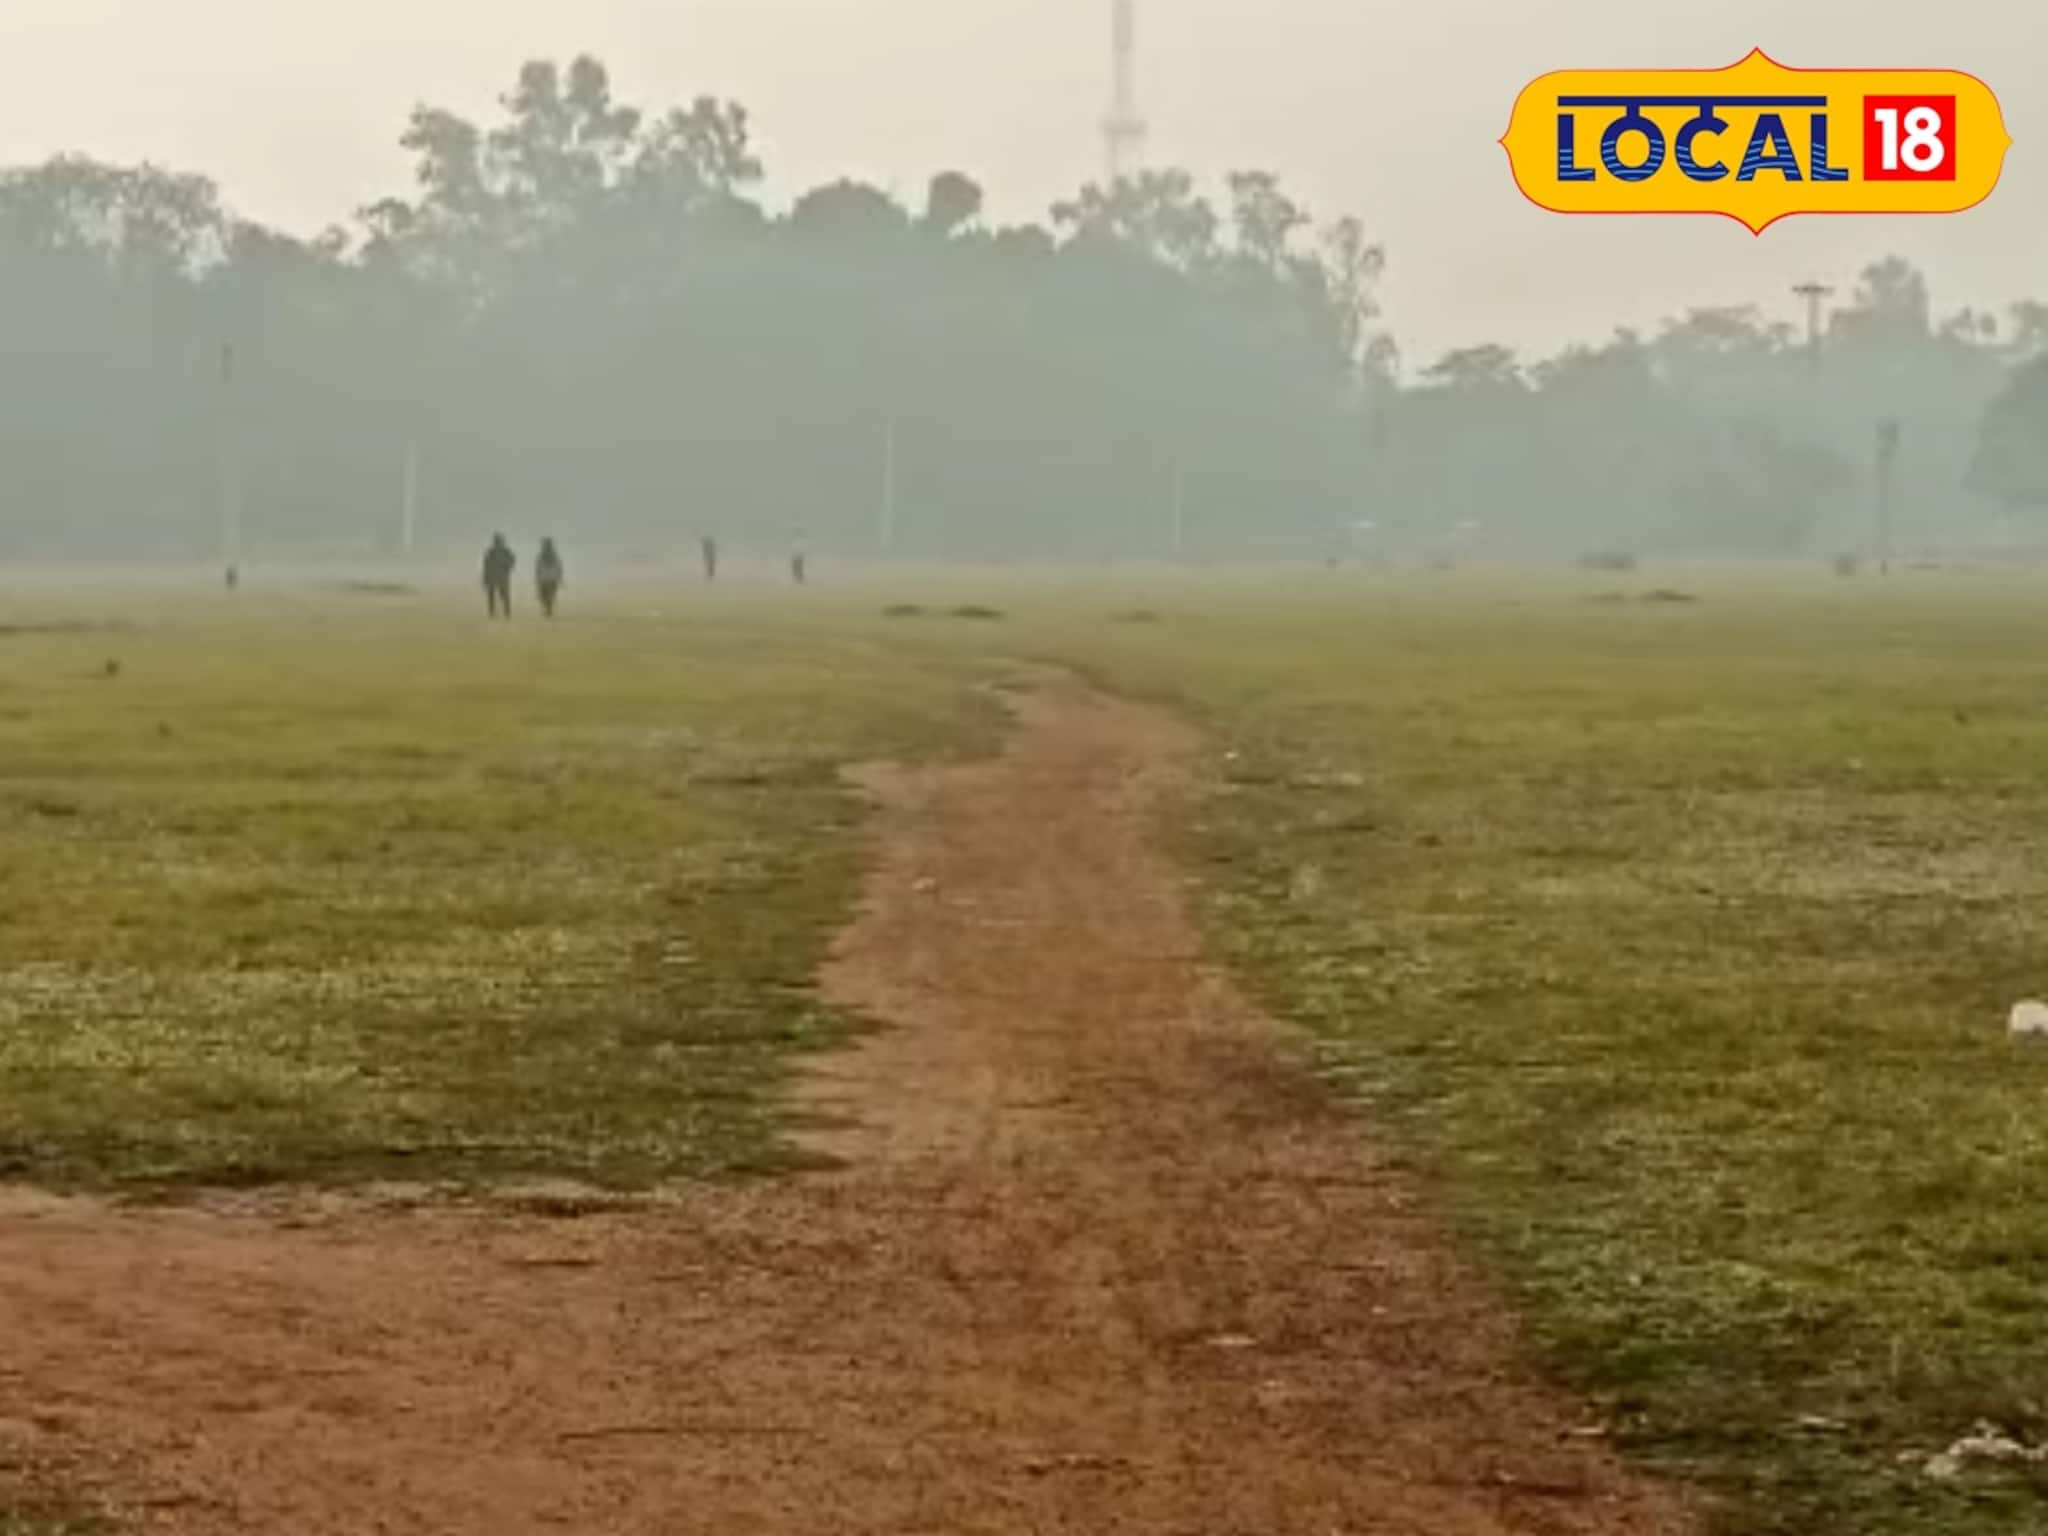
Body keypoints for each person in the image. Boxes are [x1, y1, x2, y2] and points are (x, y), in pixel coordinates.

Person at [482, 534, 516, 619]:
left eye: (498, 541)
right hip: (494, 577)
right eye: (496, 541)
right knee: (493, 596)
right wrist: (485, 578)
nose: (497, 543)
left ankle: (506, 613)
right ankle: (493, 613)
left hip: (501, 577)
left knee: (503, 596)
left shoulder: (505, 552)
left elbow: (512, 562)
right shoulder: (491, 552)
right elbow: (486, 565)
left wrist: (506, 567)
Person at [536, 538, 565, 618]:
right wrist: (560, 577)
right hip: (548, 578)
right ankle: (548, 609)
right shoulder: (546, 555)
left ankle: (548, 610)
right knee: (547, 596)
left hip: (547, 578)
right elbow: (559, 567)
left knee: (547, 596)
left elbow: (558, 567)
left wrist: (559, 577)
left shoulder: (547, 555)